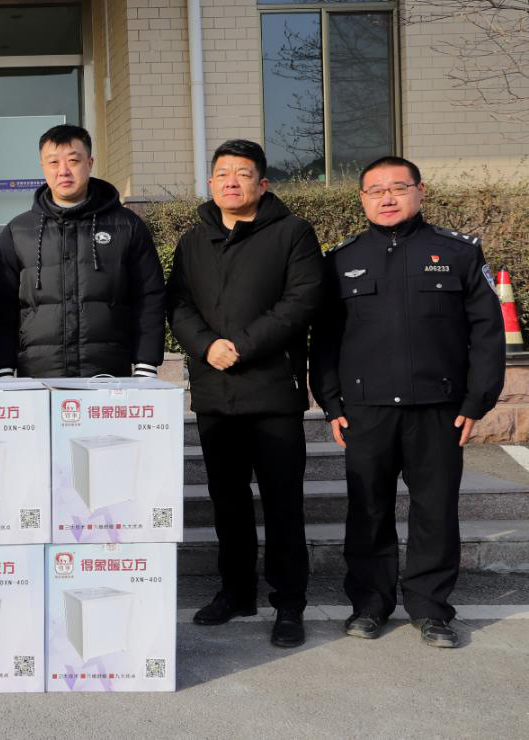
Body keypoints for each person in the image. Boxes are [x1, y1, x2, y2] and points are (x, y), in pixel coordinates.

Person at [310, 156, 504, 648]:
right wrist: (331, 403)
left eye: (398, 187)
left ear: (420, 191)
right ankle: (369, 605)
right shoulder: (340, 260)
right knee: (368, 510)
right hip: (366, 409)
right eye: (376, 191)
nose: (387, 198)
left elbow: (487, 331)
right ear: (362, 199)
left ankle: (431, 609)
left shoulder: (457, 252)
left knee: (435, 511)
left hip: (439, 408)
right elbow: (325, 338)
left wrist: (476, 401)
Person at [168, 139, 324, 648]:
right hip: (216, 394)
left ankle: (289, 603)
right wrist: (206, 345)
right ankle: (236, 592)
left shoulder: (293, 233)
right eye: (222, 173)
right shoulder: (194, 239)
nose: (231, 181)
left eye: (242, 173)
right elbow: (178, 304)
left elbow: (301, 301)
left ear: (263, 183)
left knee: (283, 504)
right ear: (210, 182)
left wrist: (242, 346)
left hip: (273, 391)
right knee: (227, 502)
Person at [0, 124, 166, 379]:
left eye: (73, 160)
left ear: (90, 163)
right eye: (53, 162)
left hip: (108, 375)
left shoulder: (126, 226)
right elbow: (2, 306)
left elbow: (149, 296)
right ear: (43, 166)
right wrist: (3, 368)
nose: (63, 171)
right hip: (38, 376)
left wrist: (146, 364)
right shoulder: (18, 231)